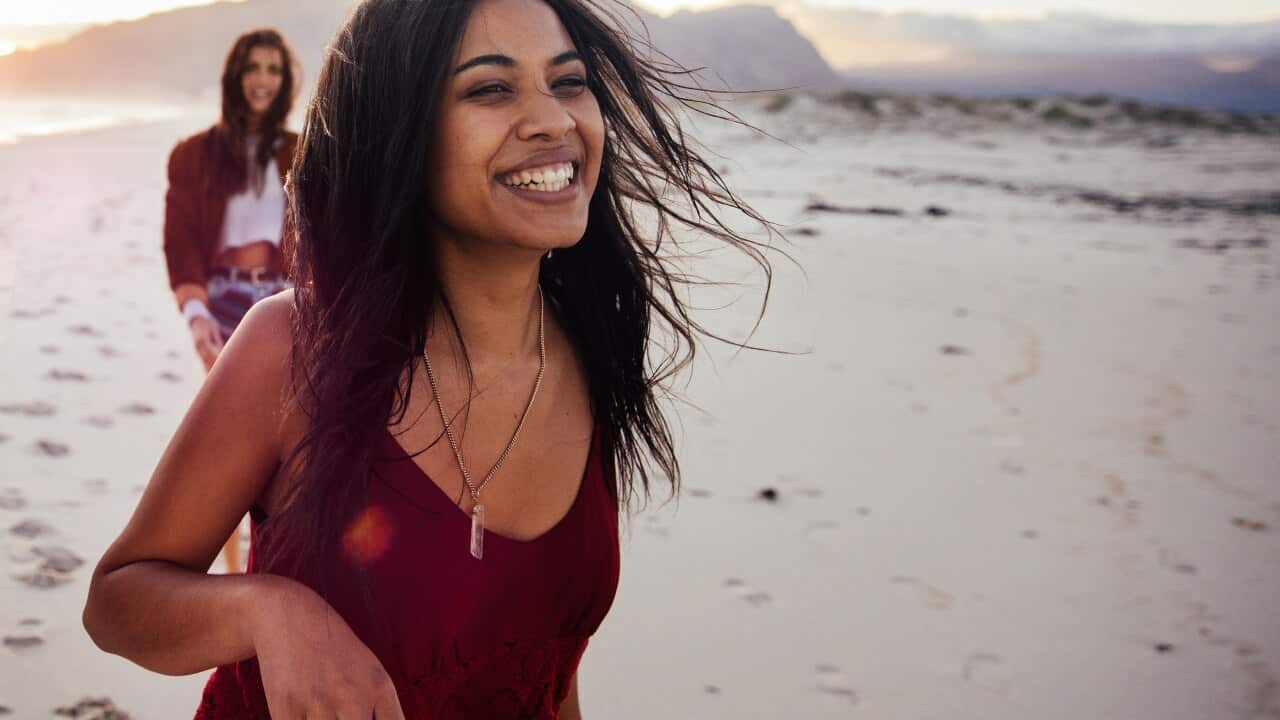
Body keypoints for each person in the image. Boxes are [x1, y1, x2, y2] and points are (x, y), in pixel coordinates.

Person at [84, 0, 773, 717]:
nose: (554, 120)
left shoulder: (595, 354)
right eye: (490, 88)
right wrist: (267, 610)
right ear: (400, 132)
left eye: (569, 82)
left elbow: (548, 675)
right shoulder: (296, 349)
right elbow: (118, 600)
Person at [161, 28, 300, 573]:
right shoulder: (194, 156)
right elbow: (180, 240)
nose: (262, 79)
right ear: (234, 77)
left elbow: (318, 234)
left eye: (273, 69)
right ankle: (231, 569)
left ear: (284, 81)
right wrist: (194, 314)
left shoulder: (300, 151)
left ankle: (270, 563)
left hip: (284, 299)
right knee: (229, 440)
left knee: (285, 435)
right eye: (252, 68)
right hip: (221, 303)